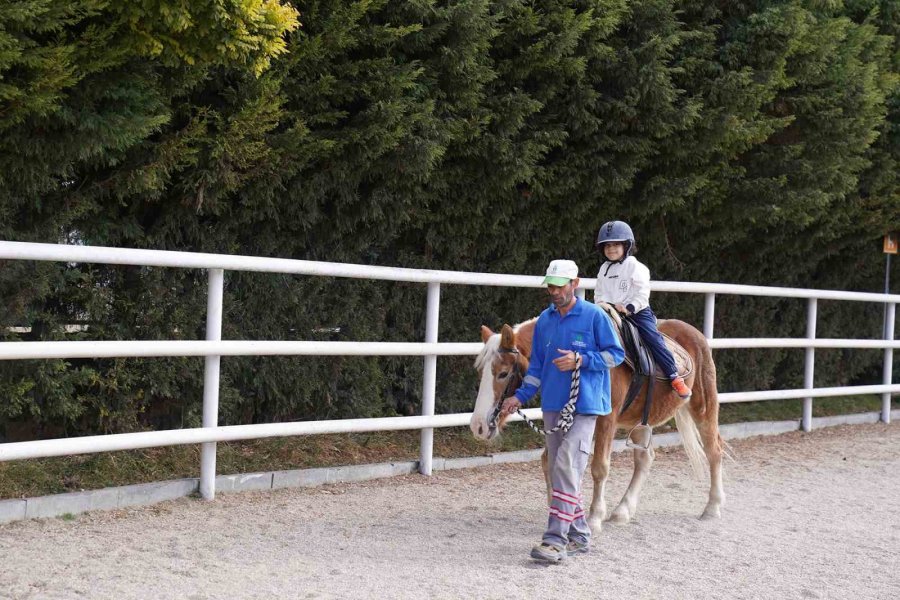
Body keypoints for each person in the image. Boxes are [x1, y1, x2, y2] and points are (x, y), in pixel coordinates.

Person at [500, 259, 625, 563]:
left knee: (567, 465)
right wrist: (520, 396)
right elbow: (538, 366)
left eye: (559, 285)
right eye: (551, 286)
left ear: (575, 284)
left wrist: (581, 360)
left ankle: (555, 540)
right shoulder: (545, 320)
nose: (554, 291)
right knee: (562, 471)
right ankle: (580, 535)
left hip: (586, 405)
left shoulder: (594, 316)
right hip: (553, 405)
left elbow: (615, 355)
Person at [594, 220, 692, 399]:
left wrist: (629, 307)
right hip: (609, 313)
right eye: (607, 245)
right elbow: (599, 292)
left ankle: (673, 375)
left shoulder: (635, 266)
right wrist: (601, 305)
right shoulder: (604, 269)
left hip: (636, 313)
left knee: (651, 337)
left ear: (627, 245)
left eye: (616, 245)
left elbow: (641, 292)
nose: (611, 249)